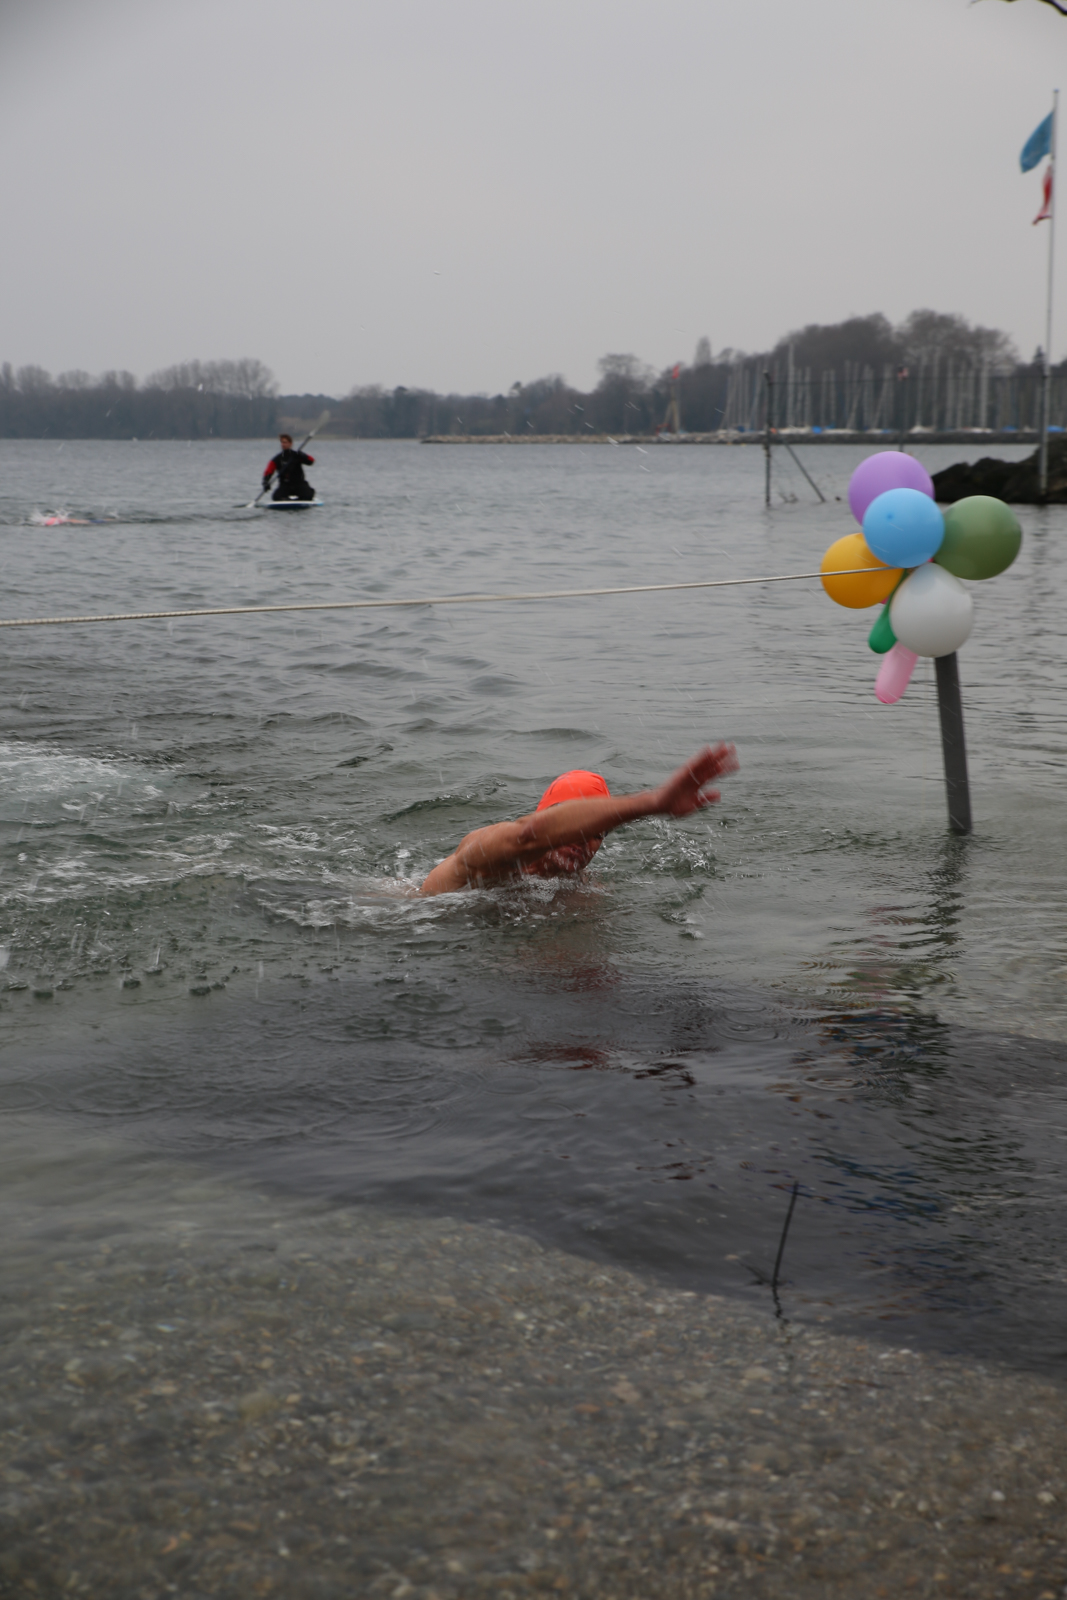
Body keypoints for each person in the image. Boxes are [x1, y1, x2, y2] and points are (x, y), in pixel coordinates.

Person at [418, 743, 738, 896]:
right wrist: (653, 802)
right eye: (578, 826)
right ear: (548, 816)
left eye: (598, 834)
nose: (585, 840)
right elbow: (529, 835)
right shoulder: (485, 854)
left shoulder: (584, 890)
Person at [263, 434, 316, 502]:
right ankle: (287, 499)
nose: (283, 444)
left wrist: (304, 455)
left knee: (308, 496)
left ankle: (300, 498)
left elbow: (311, 461)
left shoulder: (297, 455)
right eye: (282, 442)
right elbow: (268, 471)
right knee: (276, 497)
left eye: (285, 442)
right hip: (285, 485)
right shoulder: (277, 458)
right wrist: (265, 482)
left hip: (299, 484)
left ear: (290, 444)